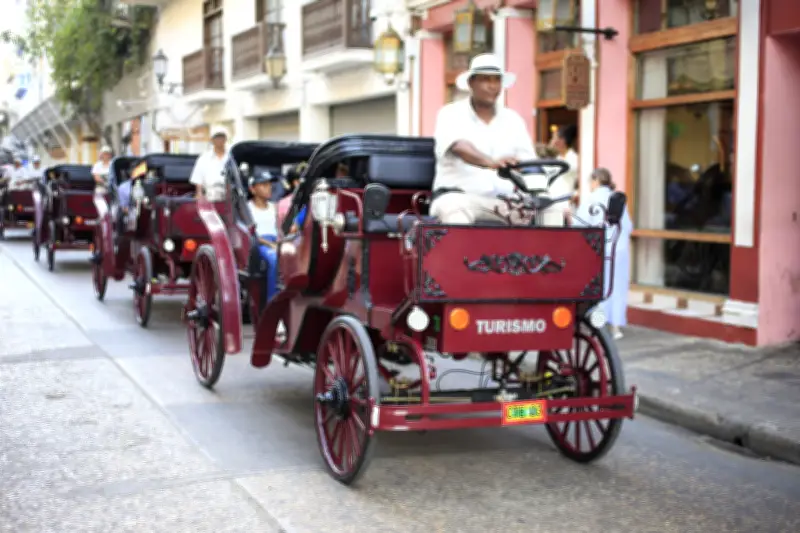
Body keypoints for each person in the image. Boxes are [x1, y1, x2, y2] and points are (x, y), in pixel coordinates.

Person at [429, 53, 537, 224]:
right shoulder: (450, 113)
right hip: (461, 197)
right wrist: (491, 162)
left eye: (497, 80)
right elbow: (459, 147)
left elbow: (530, 163)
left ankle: (551, 252)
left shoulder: (513, 119)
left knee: (553, 208)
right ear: (471, 82)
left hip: (506, 202)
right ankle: (460, 252)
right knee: (455, 208)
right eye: (486, 80)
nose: (492, 86)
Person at [573, 168, 633, 340]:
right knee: (617, 287)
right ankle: (616, 327)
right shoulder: (618, 199)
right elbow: (628, 226)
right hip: (619, 250)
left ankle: (600, 325)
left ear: (595, 181)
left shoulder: (592, 199)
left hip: (599, 250)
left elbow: (580, 226)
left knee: (600, 289)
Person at [249, 170, 280, 304]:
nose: (269, 188)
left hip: (276, 240)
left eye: (269, 184)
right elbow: (251, 234)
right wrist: (270, 244)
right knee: (274, 258)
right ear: (253, 189)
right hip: (259, 244)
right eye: (264, 184)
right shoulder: (248, 208)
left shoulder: (275, 207)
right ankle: (272, 301)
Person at [540, 124, 579, 226]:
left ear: (562, 141)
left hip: (565, 206)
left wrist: (575, 195)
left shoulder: (574, 159)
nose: (553, 142)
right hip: (550, 205)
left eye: (555, 138)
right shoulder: (555, 159)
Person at [190, 126, 228, 201]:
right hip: (209, 196)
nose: (219, 140)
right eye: (217, 137)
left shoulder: (231, 157)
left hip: (229, 197)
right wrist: (199, 194)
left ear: (225, 139)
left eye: (222, 137)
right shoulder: (203, 158)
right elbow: (198, 180)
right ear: (212, 140)